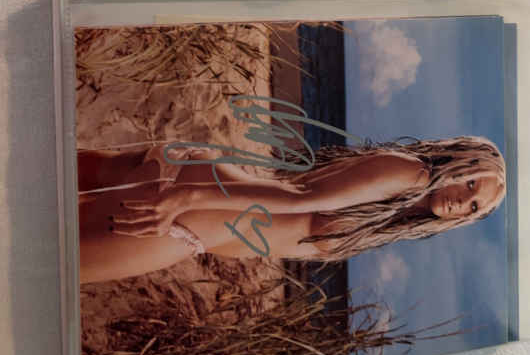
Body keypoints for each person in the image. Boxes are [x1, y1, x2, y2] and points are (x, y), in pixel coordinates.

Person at [77, 135, 506, 284]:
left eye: (474, 206)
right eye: (471, 183)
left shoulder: (396, 214)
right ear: (461, 160)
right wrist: (186, 198)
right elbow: (299, 197)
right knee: (53, 266)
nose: (462, 202)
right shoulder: (410, 174)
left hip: (202, 198)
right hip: (191, 211)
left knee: (52, 175)